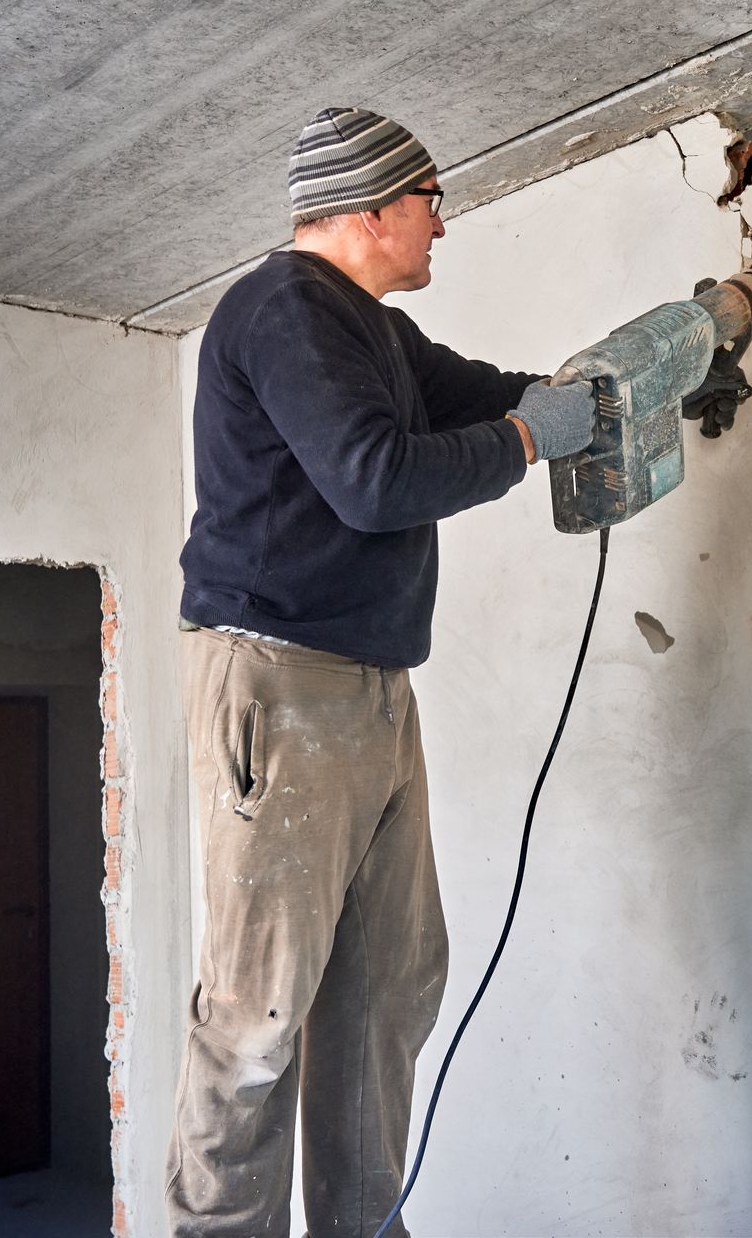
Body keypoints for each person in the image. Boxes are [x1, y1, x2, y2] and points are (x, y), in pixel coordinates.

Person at [166, 107, 595, 1236]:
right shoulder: (285, 309)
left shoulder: (376, 333)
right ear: (370, 209)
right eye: (429, 198)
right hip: (278, 680)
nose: (442, 220)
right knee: (257, 1016)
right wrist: (529, 441)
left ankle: (362, 1224)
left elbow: (487, 394)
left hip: (370, 688)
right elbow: (373, 479)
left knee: (385, 989)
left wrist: (587, 399)